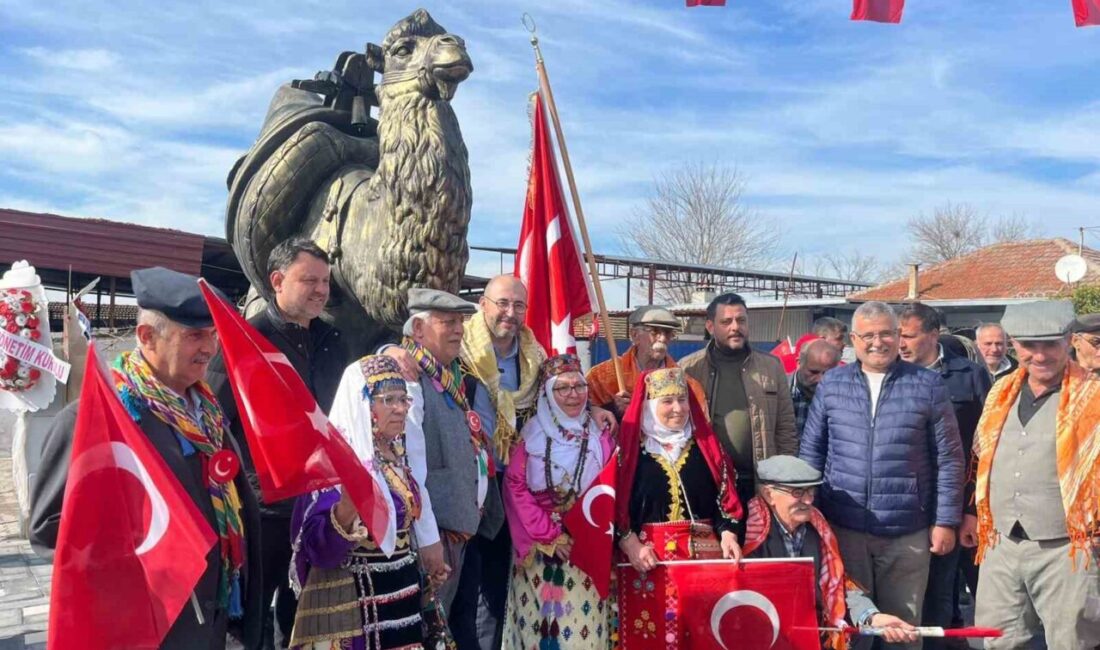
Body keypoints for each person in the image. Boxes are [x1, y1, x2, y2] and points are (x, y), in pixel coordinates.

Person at [30, 267, 263, 649]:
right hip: (149, 624)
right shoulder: (98, 417)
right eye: (193, 336)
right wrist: (148, 550)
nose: (208, 347)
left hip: (212, 619)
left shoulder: (208, 412)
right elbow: (48, 527)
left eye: (212, 335)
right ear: (146, 336)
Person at [207, 237, 349, 649]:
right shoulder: (245, 341)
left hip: (317, 507)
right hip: (263, 509)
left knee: (304, 613)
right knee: (253, 618)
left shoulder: (333, 342)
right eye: (310, 280)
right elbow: (216, 421)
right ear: (277, 281)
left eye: (325, 281)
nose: (321, 290)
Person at [799, 301, 964, 650]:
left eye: (887, 333)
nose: (878, 342)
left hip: (907, 532)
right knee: (850, 627)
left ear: (898, 336)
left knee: (902, 632)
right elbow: (812, 452)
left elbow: (949, 458)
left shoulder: (927, 384)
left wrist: (945, 521)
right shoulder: (833, 385)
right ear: (853, 340)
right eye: (868, 335)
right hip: (844, 528)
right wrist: (807, 515)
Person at [960, 301, 1100, 648]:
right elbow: (979, 456)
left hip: (1068, 545)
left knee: (1072, 641)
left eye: (1050, 344)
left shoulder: (1093, 395)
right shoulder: (999, 393)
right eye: (1029, 346)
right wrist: (971, 513)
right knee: (999, 638)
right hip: (1002, 543)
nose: (1040, 355)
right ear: (1014, 345)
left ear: (1069, 340)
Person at [287, 355, 424, 649]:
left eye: (404, 400)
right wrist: (347, 508)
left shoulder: (392, 453)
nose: (400, 409)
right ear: (363, 405)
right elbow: (316, 551)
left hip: (399, 599)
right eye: (388, 400)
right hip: (353, 604)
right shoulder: (332, 462)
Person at [400, 288, 505, 640]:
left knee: (459, 629)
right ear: (417, 331)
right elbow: (408, 463)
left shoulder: (451, 375)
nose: (459, 330)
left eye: (461, 321)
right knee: (429, 631)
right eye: (448, 322)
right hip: (433, 534)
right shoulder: (405, 374)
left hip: (464, 529)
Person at [614, 367, 743, 649]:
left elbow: (726, 499)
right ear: (649, 405)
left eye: (682, 400)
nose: (677, 409)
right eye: (667, 401)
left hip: (704, 564)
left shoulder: (706, 448)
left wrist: (729, 533)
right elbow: (613, 503)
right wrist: (629, 542)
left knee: (701, 638)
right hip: (648, 564)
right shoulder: (631, 452)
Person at [743, 456, 918, 648]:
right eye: (798, 492)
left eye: (811, 491)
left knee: (860, 636)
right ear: (769, 495)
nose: (809, 500)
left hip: (811, 630)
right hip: (766, 632)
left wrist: (872, 617)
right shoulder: (747, 537)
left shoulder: (817, 530)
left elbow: (839, 584)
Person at [501, 354, 614, 650]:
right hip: (542, 549)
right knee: (540, 629)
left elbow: (612, 487)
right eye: (562, 388)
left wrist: (587, 532)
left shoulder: (601, 434)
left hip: (587, 548)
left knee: (583, 631)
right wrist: (549, 535)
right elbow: (515, 485)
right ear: (548, 392)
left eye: (579, 386)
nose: (572, 395)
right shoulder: (531, 434)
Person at [897, 303, 990, 648]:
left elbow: (986, 443)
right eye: (897, 335)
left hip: (959, 500)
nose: (900, 343)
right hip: (909, 503)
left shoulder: (969, 375)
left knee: (953, 592)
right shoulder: (890, 376)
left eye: (908, 335)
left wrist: (972, 509)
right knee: (916, 593)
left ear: (934, 335)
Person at [680, 292, 797, 509]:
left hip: (761, 483)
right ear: (710, 326)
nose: (735, 327)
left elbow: (786, 428)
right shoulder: (688, 369)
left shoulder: (771, 367)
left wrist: (783, 480)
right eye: (726, 321)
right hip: (709, 481)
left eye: (741, 320)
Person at [587, 305, 706, 420]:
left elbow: (699, 424)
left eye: (668, 333)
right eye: (655, 332)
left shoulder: (684, 383)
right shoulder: (603, 376)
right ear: (634, 335)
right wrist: (613, 408)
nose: (663, 339)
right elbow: (581, 413)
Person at [790, 339, 842, 438]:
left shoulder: (843, 396)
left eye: (827, 373)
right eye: (813, 372)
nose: (820, 379)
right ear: (799, 363)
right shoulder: (779, 391)